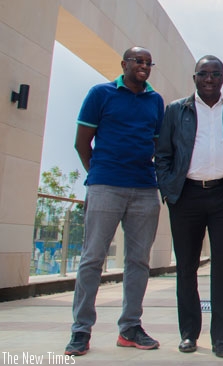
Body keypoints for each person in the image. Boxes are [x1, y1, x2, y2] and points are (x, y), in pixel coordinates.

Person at [155, 55, 223, 359]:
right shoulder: (176, 110)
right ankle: (189, 333)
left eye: (215, 74)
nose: (209, 79)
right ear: (195, 78)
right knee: (186, 267)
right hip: (185, 197)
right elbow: (163, 154)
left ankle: (221, 338)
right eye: (204, 73)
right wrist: (168, 190)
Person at [65, 47, 165, 357]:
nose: (144, 66)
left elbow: (157, 143)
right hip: (106, 185)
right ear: (124, 64)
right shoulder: (101, 94)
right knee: (92, 259)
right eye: (138, 61)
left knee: (138, 262)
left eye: (148, 62)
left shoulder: (156, 101)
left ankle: (130, 328)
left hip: (145, 189)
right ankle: (81, 331)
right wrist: (98, 173)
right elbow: (82, 142)